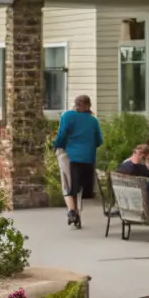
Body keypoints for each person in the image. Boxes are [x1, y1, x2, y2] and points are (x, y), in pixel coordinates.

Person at [53, 94, 103, 229]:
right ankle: (78, 214)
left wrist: (56, 146)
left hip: (68, 154)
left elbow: (62, 135)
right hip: (87, 158)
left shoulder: (67, 116)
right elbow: (99, 141)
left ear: (76, 104)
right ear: (89, 106)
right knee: (78, 187)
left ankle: (71, 211)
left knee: (67, 184)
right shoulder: (93, 121)